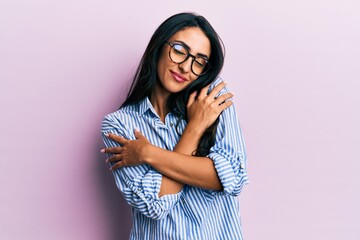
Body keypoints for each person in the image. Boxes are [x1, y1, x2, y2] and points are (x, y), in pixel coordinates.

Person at [100, 12, 249, 240]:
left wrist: (148, 153)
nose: (186, 67)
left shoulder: (211, 99)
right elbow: (155, 204)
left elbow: (232, 178)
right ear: (159, 47)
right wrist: (195, 130)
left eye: (199, 61)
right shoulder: (119, 124)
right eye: (179, 50)